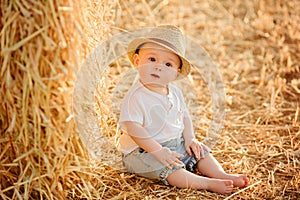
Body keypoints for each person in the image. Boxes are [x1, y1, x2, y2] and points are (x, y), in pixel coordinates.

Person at [117, 25, 248, 195]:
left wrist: (190, 139)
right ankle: (206, 183)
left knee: (200, 152)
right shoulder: (136, 96)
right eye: (152, 59)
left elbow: (184, 116)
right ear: (137, 61)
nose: (158, 67)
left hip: (174, 143)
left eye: (168, 64)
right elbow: (134, 129)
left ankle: (222, 175)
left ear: (176, 73)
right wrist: (158, 151)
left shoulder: (175, 92)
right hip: (142, 152)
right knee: (168, 168)